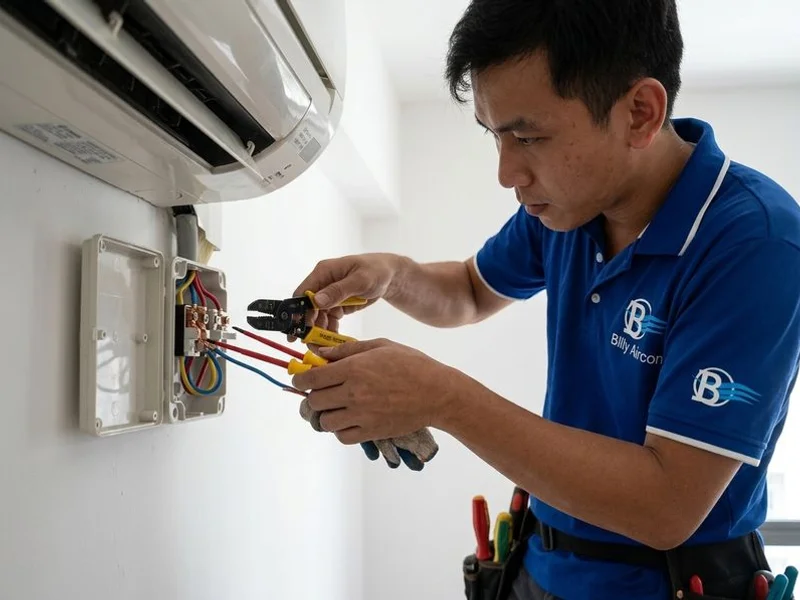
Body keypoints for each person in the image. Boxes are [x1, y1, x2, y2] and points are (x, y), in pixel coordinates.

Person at [289, 1, 800, 598]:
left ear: (639, 113)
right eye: (495, 135)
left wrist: (443, 398)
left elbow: (666, 506)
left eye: (528, 136)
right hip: (537, 565)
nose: (508, 174)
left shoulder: (757, 242)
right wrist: (393, 274)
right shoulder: (569, 208)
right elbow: (471, 292)